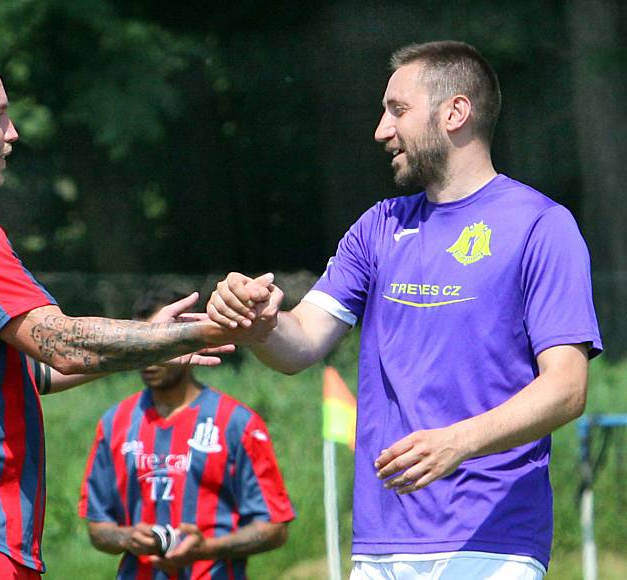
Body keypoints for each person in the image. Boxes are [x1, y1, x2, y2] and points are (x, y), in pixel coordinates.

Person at [0, 49, 256, 580]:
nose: (12, 132)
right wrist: (204, 329)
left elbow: (33, 370)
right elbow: (65, 344)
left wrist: (160, 340)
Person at [206, 41, 601, 580]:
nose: (380, 130)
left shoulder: (541, 226)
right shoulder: (379, 226)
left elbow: (567, 388)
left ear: (454, 113)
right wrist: (260, 323)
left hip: (490, 542)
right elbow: (299, 344)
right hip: (380, 543)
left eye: (398, 110)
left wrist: (458, 442)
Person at [79, 289, 295, 580]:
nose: (149, 356)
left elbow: (274, 528)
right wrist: (128, 538)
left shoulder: (237, 423)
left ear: (185, 341)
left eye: (158, 343)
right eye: (142, 344)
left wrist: (208, 549)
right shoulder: (114, 423)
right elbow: (98, 527)